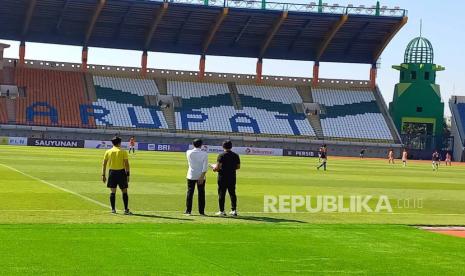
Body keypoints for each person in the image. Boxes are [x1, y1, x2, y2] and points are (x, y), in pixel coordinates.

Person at [101, 136, 132, 215]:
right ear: (119, 143)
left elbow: (104, 164)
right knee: (124, 191)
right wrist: (128, 175)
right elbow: (126, 164)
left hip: (112, 173)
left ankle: (113, 209)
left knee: (113, 192)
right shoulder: (123, 151)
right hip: (121, 172)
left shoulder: (108, 151)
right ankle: (125, 209)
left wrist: (103, 175)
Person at [212, 140, 240, 216]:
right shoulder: (236, 155)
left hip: (222, 177)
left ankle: (222, 211)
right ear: (231, 146)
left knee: (221, 193)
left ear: (223, 146)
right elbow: (238, 167)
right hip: (232, 176)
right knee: (232, 193)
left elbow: (217, 168)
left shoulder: (221, 155)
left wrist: (213, 168)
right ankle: (234, 210)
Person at [184, 139, 208, 216]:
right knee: (201, 193)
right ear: (201, 145)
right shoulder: (204, 154)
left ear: (193, 144)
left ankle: (188, 211)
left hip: (191, 174)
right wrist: (202, 176)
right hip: (201, 175)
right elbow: (205, 167)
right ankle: (201, 212)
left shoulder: (188, 152)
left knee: (190, 193)